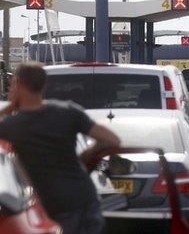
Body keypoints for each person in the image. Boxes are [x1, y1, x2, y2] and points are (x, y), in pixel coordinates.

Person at [0, 63, 121, 234]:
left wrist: (9, 108)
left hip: (53, 209)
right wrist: (85, 156)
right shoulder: (68, 111)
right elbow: (112, 139)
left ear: (18, 85)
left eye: (12, 84)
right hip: (85, 201)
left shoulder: (12, 125)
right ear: (43, 85)